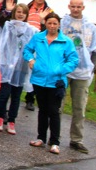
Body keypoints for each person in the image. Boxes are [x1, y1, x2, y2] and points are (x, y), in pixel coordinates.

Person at [24, 12, 78, 154]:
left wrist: (61, 69)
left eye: (55, 23)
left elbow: (73, 59)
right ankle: (41, 137)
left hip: (56, 82)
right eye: (49, 23)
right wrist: (31, 60)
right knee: (42, 110)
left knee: (54, 111)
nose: (52, 26)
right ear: (45, 24)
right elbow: (27, 50)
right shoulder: (38, 38)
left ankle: (55, 142)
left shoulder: (66, 41)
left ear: (59, 25)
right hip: (39, 79)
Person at [60, 0, 96, 154]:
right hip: (64, 69)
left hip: (82, 72)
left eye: (78, 6)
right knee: (57, 104)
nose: (75, 9)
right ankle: (54, 136)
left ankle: (76, 139)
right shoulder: (62, 24)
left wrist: (90, 67)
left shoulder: (90, 27)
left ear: (83, 7)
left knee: (79, 107)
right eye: (73, 6)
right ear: (69, 6)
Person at [0, 0, 38, 134]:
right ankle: (0, 117)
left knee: (16, 95)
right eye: (18, 12)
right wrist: (6, 11)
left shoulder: (31, 30)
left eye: (23, 13)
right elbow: (0, 22)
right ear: (14, 13)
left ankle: (12, 120)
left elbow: (39, 39)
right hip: (6, 64)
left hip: (20, 66)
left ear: (27, 15)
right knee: (4, 93)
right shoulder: (8, 25)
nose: (20, 14)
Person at [24, 0, 52, 111]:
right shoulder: (27, 7)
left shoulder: (49, 11)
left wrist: (42, 20)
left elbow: (50, 28)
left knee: (33, 69)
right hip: (24, 39)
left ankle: (30, 99)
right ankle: (7, 92)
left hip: (39, 42)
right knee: (18, 67)